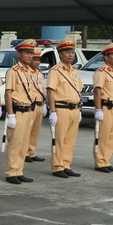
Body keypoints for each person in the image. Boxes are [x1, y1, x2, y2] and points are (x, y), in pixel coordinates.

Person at [3, 39, 39, 185]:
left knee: (24, 144)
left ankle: (19, 170)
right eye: (26, 53)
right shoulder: (14, 72)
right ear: (19, 54)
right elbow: (8, 94)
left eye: (31, 53)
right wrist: (11, 114)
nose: (30, 56)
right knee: (15, 144)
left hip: (28, 111)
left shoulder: (29, 72)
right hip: (17, 111)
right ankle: (11, 172)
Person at [47, 38, 84, 178]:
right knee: (60, 139)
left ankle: (66, 164)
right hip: (61, 109)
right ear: (60, 54)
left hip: (75, 109)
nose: (70, 54)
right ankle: (57, 167)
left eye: (72, 51)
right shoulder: (55, 71)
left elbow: (78, 90)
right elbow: (51, 91)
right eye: (67, 52)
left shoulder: (75, 71)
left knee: (70, 140)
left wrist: (79, 109)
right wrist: (53, 111)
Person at [92, 42, 113, 173]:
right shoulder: (102, 72)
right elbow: (97, 91)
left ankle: (106, 160)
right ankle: (100, 162)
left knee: (112, 137)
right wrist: (98, 109)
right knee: (103, 136)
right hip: (106, 107)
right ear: (106, 57)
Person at [25, 48, 47, 163]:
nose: (37, 62)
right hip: (30, 105)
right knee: (27, 130)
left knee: (35, 131)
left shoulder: (39, 73)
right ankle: (24, 152)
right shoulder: (26, 72)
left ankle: (31, 151)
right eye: (35, 59)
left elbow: (42, 89)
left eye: (39, 59)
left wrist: (44, 104)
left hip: (39, 104)